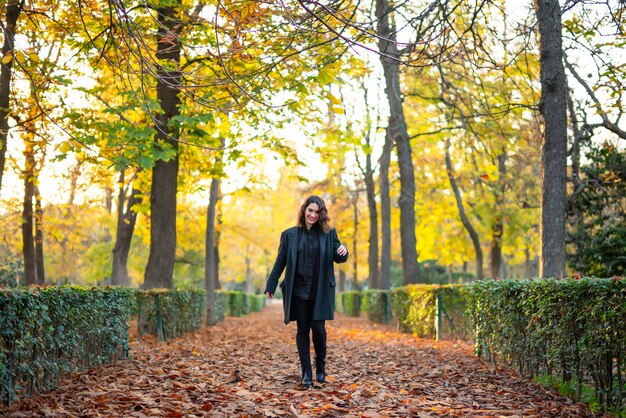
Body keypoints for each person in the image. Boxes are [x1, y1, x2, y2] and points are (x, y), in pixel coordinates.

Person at [264, 195, 349, 389]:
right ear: (304, 211)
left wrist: (343, 251)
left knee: (318, 330)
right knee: (302, 330)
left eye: (317, 212)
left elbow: (339, 256)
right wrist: (271, 283)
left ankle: (320, 365)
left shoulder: (329, 234)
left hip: (320, 292)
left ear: (322, 215)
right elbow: (280, 262)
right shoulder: (289, 235)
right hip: (298, 291)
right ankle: (306, 374)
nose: (313, 215)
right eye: (310, 210)